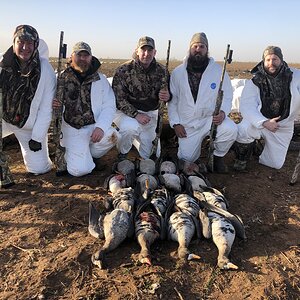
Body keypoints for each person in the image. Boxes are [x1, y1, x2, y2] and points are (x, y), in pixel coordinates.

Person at [167, 32, 237, 173]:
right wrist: (175, 123)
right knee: (187, 160)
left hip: (209, 120)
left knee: (230, 129)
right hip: (188, 124)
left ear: (207, 49)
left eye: (202, 46)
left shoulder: (218, 71)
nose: (198, 49)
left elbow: (228, 95)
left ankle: (218, 157)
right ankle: (195, 153)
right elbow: (173, 101)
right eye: (195, 46)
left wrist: (223, 112)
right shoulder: (178, 73)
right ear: (190, 49)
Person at [53, 41, 119, 177]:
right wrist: (52, 103)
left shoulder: (100, 79)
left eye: (86, 55)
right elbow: (48, 101)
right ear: (71, 57)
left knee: (113, 136)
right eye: (79, 55)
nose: (82, 59)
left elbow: (109, 105)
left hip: (93, 126)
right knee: (79, 171)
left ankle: (91, 155)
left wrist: (100, 127)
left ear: (91, 57)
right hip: (72, 128)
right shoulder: (60, 78)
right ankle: (77, 155)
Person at [0, 25, 56, 175]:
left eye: (30, 43)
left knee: (39, 169)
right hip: (4, 120)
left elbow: (46, 109)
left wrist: (37, 137)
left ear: (36, 45)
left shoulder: (45, 70)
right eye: (20, 42)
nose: (25, 47)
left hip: (28, 127)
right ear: (14, 43)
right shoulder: (1, 64)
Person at [233, 46, 300, 171]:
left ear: (281, 60)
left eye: (275, 59)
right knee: (243, 129)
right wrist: (264, 122)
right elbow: (246, 106)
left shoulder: (295, 76)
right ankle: (241, 158)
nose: (271, 63)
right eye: (268, 59)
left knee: (275, 164)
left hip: (282, 126)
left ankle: (259, 150)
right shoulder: (255, 80)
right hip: (260, 122)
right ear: (263, 61)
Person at [112, 36, 171, 160]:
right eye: (143, 50)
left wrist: (167, 96)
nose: (146, 54)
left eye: (150, 50)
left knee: (152, 155)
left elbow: (171, 95)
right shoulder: (124, 70)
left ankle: (135, 140)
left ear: (155, 52)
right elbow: (119, 99)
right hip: (126, 113)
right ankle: (122, 153)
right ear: (137, 51)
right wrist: (136, 114)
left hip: (150, 114)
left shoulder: (162, 71)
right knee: (130, 128)